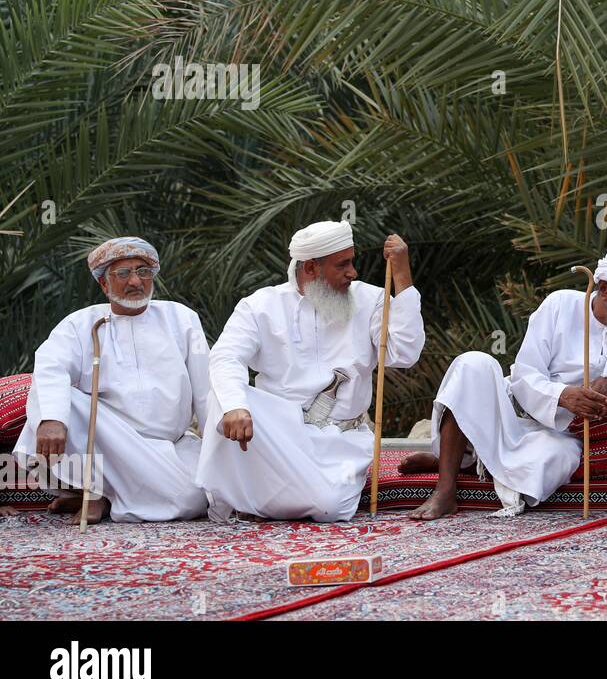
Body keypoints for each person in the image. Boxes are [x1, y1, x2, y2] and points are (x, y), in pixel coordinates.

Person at [401, 249, 607, 520]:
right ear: (604, 289)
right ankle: (445, 489)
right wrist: (562, 395)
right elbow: (526, 373)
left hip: (558, 433)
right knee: (472, 364)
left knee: (555, 461)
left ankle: (463, 462)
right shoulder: (560, 305)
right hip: (513, 409)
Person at [195, 221, 424, 522]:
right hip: (279, 435)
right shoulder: (260, 306)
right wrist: (236, 407)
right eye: (342, 265)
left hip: (340, 437)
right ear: (311, 269)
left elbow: (404, 354)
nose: (352, 273)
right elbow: (225, 356)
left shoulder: (370, 299)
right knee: (222, 399)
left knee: (330, 507)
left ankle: (255, 499)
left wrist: (402, 277)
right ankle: (247, 495)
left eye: (351, 262)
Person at [12, 237, 209, 524]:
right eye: (123, 273)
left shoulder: (181, 318)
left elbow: (206, 389)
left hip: (168, 446)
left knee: (193, 498)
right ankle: (90, 490)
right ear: (104, 284)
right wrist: (52, 419)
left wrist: (218, 447)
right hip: (105, 438)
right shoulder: (80, 324)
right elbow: (50, 367)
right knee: (56, 404)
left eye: (143, 272)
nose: (135, 282)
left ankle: (108, 497)